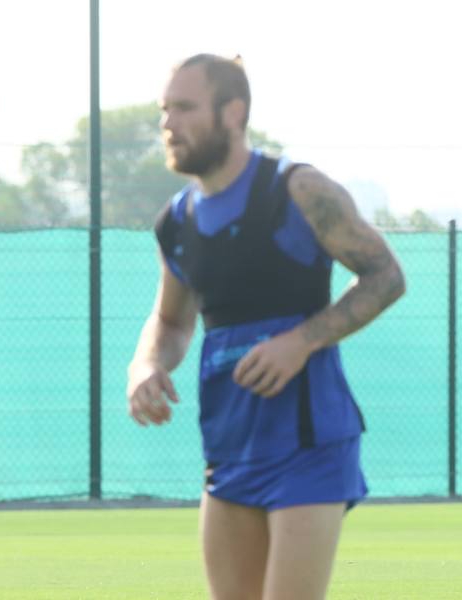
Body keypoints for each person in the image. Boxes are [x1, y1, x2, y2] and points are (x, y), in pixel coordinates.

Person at [126, 53, 405, 600]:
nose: (168, 123)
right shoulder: (177, 220)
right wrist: (146, 365)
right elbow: (170, 321)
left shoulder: (297, 189)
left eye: (184, 107)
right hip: (230, 445)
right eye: (164, 109)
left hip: (311, 441)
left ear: (234, 112)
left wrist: (300, 342)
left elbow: (386, 276)